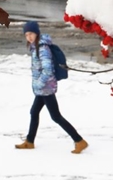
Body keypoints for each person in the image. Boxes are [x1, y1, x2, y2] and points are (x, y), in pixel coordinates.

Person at [15, 21, 88, 154]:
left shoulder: (42, 48)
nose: (29, 37)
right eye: (26, 35)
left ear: (36, 33)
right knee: (34, 112)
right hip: (43, 89)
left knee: (56, 116)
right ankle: (30, 141)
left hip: (46, 88)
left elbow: (48, 70)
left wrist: (39, 83)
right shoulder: (35, 47)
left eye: (31, 33)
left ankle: (79, 141)